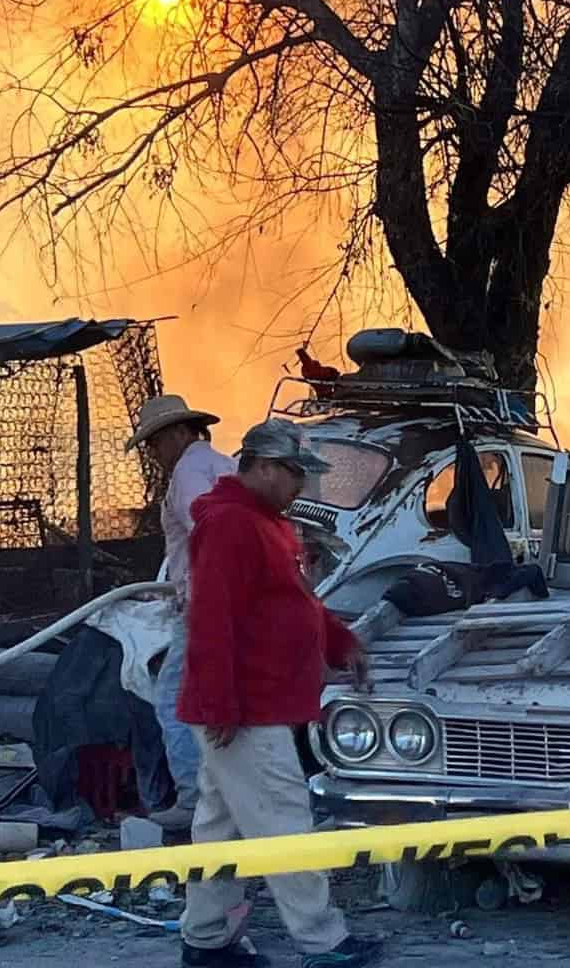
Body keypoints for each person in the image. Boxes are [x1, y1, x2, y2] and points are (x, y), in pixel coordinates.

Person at [179, 419, 380, 968]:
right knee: (284, 820)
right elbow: (212, 620)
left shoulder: (269, 524)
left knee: (222, 827)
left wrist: (341, 642)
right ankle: (323, 943)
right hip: (247, 707)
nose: (301, 485)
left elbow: (298, 603)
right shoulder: (230, 526)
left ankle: (205, 940)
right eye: (294, 474)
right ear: (263, 467)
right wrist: (221, 703)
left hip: (252, 703)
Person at [127, 394, 236, 832]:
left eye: (155, 443)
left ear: (176, 434)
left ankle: (193, 799)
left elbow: (208, 530)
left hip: (205, 605)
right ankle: (234, 797)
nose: (153, 454)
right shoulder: (225, 465)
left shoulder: (189, 472)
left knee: (175, 698)